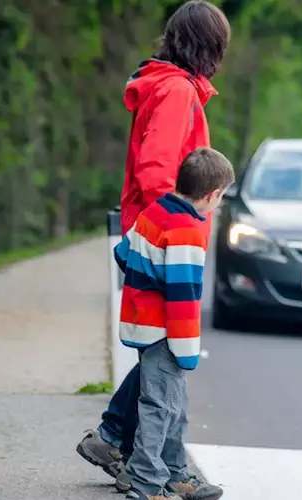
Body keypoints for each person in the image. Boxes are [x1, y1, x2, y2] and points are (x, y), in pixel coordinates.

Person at [75, 0, 230, 495]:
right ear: (209, 47)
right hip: (165, 239)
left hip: (153, 232)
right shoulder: (177, 92)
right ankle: (145, 465)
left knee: (159, 354)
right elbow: (157, 171)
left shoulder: (168, 86)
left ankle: (118, 441)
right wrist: (180, 226)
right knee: (165, 353)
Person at [114, 148, 235, 500]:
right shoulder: (187, 231)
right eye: (222, 196)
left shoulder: (157, 210)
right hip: (165, 331)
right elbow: (182, 298)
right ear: (211, 195)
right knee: (159, 407)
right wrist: (187, 350)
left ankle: (174, 474)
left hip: (141, 322)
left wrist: (147, 275)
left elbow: (123, 254)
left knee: (173, 404)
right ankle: (145, 484)